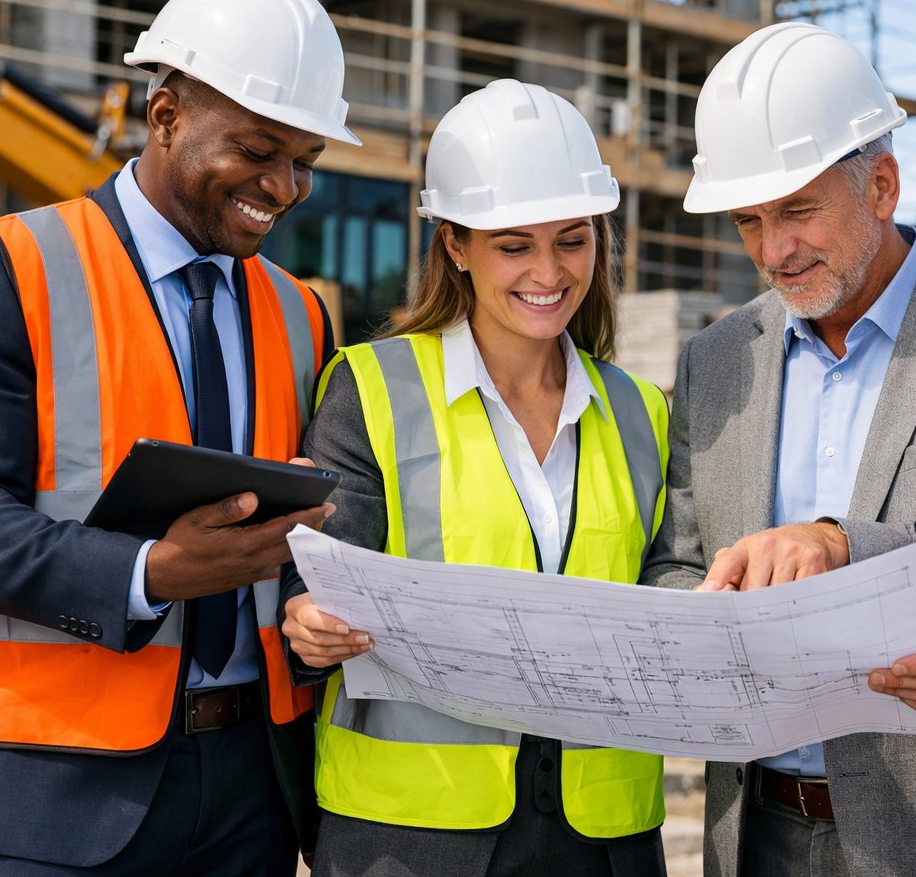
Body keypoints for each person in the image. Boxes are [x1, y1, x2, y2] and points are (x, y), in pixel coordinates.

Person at [0, 0, 357, 874]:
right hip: (42, 786)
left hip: (251, 790)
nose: (284, 186)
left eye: (305, 160)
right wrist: (150, 574)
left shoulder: (301, 312)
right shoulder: (0, 269)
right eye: (258, 150)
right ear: (166, 116)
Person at [640, 21, 916, 877]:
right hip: (761, 833)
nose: (773, 251)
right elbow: (679, 561)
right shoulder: (716, 360)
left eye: (798, 211)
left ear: (881, 186)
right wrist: (702, 614)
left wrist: (836, 547)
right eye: (748, 221)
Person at [280, 78, 671, 877]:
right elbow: (315, 583)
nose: (549, 271)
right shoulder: (373, 389)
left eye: (572, 240)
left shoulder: (642, 412)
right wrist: (310, 626)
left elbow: (669, 593)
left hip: (605, 837)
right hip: (407, 835)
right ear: (456, 246)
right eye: (514, 245)